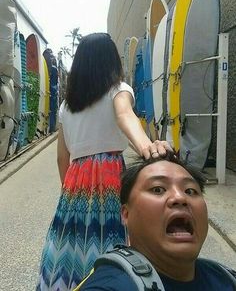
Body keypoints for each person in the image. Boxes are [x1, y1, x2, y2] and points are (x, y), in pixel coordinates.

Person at [36, 32, 172, 291]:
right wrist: (148, 147)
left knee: (72, 243)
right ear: (111, 62)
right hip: (108, 177)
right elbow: (125, 116)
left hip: (75, 182)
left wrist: (70, 193)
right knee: (111, 240)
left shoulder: (67, 106)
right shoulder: (118, 90)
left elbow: (61, 158)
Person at [77, 151, 236, 290]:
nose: (180, 198)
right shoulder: (111, 284)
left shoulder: (226, 278)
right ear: (125, 214)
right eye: (158, 189)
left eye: (190, 190)